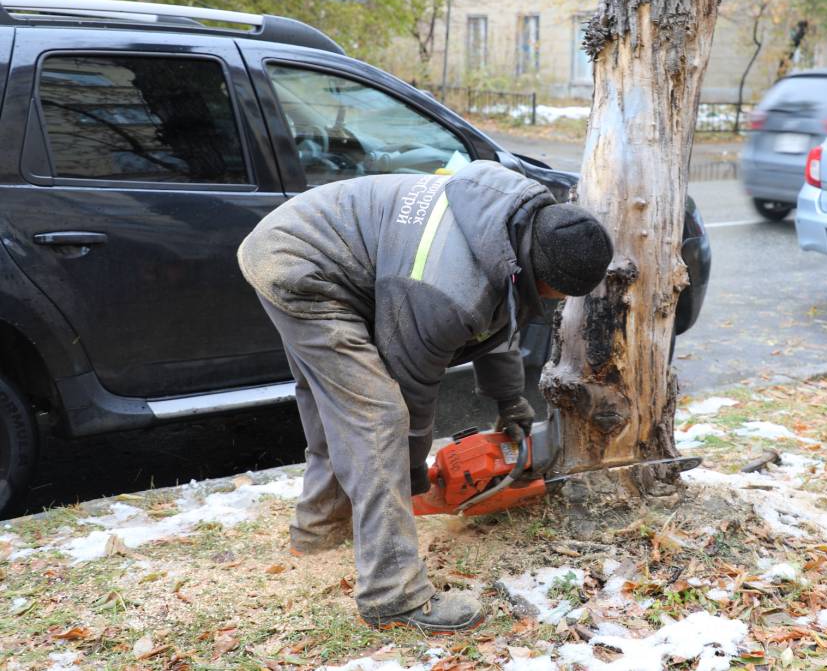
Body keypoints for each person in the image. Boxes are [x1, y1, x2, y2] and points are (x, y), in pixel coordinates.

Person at [237, 161, 613, 633]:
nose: (556, 303)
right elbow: (408, 386)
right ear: (537, 271)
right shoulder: (444, 290)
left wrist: (510, 400)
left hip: (317, 243)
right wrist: (414, 474)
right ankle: (393, 594)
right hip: (301, 264)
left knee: (336, 407)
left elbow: (501, 318)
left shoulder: (510, 223)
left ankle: (318, 533)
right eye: (555, 295)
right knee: (376, 419)